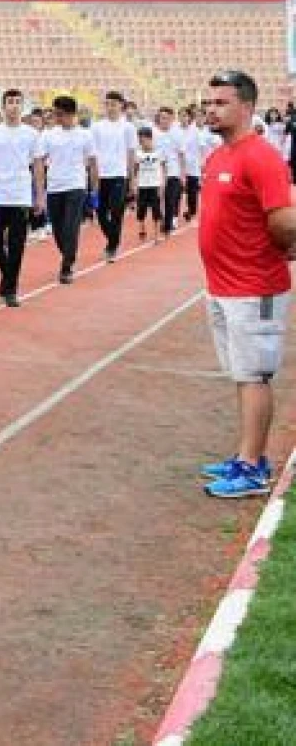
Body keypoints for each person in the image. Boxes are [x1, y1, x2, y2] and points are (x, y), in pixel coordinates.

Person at [197, 71, 296, 499]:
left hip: (256, 287)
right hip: (224, 285)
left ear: (246, 107)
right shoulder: (219, 156)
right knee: (243, 374)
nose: (211, 109)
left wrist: (283, 247)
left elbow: (284, 217)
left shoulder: (261, 156)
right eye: (210, 102)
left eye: (221, 103)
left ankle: (253, 468)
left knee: (255, 374)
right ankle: (246, 454)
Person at [0, 89, 41, 306]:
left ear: (22, 107)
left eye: (17, 102)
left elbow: (38, 165)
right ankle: (8, 275)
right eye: (10, 102)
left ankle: (11, 288)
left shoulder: (31, 134)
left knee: (17, 244)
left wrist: (39, 196)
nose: (13, 106)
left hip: (21, 195)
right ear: (3, 106)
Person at [35, 95, 97, 285]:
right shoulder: (48, 135)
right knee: (58, 230)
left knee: (71, 227)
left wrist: (94, 190)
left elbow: (93, 162)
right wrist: (40, 191)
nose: (57, 118)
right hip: (54, 187)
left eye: (60, 114)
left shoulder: (85, 135)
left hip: (76, 186)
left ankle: (66, 266)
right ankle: (69, 255)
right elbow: (38, 161)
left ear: (72, 114)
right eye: (55, 114)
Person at [90, 91, 138, 262]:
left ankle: (112, 245)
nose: (110, 107)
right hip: (102, 174)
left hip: (119, 174)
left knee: (116, 211)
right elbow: (93, 155)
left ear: (121, 105)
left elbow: (131, 153)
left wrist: (132, 179)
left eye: (114, 104)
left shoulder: (128, 127)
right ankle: (113, 239)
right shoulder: (96, 127)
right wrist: (94, 179)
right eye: (107, 103)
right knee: (101, 212)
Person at [153, 106, 187, 237]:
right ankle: (162, 219)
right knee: (157, 200)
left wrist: (183, 175)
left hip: (173, 172)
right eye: (162, 118)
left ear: (172, 119)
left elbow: (182, 155)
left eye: (167, 118)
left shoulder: (177, 134)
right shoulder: (154, 133)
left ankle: (167, 226)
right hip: (157, 172)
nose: (164, 120)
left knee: (170, 200)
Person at [132, 126, 165, 242]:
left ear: (150, 138)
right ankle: (142, 228)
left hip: (155, 184)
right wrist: (134, 184)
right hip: (142, 185)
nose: (141, 143)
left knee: (156, 209)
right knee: (141, 209)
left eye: (143, 140)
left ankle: (156, 234)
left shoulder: (159, 152)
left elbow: (163, 169)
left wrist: (162, 184)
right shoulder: (138, 153)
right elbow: (135, 170)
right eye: (139, 140)